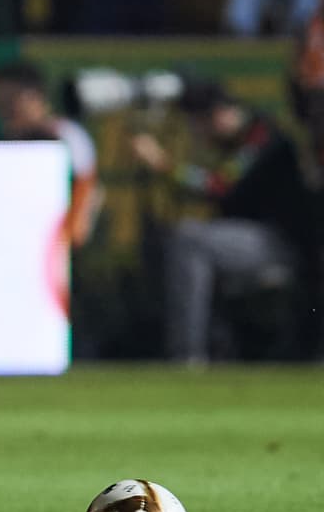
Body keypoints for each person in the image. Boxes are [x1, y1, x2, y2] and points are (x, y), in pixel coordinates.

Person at [130, 77, 317, 363]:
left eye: (199, 124)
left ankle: (187, 355)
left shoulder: (261, 137)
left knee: (188, 241)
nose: (198, 134)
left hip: (287, 243)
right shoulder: (242, 140)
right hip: (263, 240)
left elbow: (219, 186)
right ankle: (215, 345)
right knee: (178, 239)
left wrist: (163, 165)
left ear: (218, 114)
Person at [0, 61, 101, 250]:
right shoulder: (10, 144)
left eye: (9, 102)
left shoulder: (66, 136)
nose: (4, 112)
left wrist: (70, 234)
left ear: (34, 97)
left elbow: (86, 186)